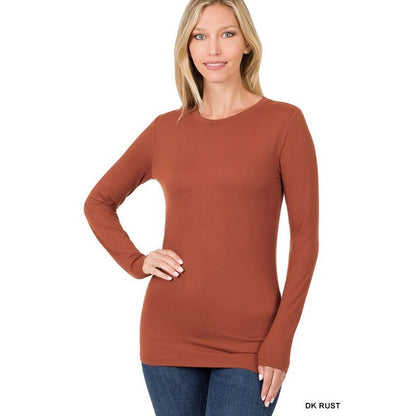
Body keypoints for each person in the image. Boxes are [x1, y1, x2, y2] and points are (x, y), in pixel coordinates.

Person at [83, 0, 319, 414]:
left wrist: (281, 340)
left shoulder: (284, 123)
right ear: (187, 47)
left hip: (251, 341)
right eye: (200, 36)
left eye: (227, 34)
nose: (213, 49)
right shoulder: (165, 129)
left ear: (246, 43)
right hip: (168, 336)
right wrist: (137, 261)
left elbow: (304, 240)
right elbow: (98, 202)